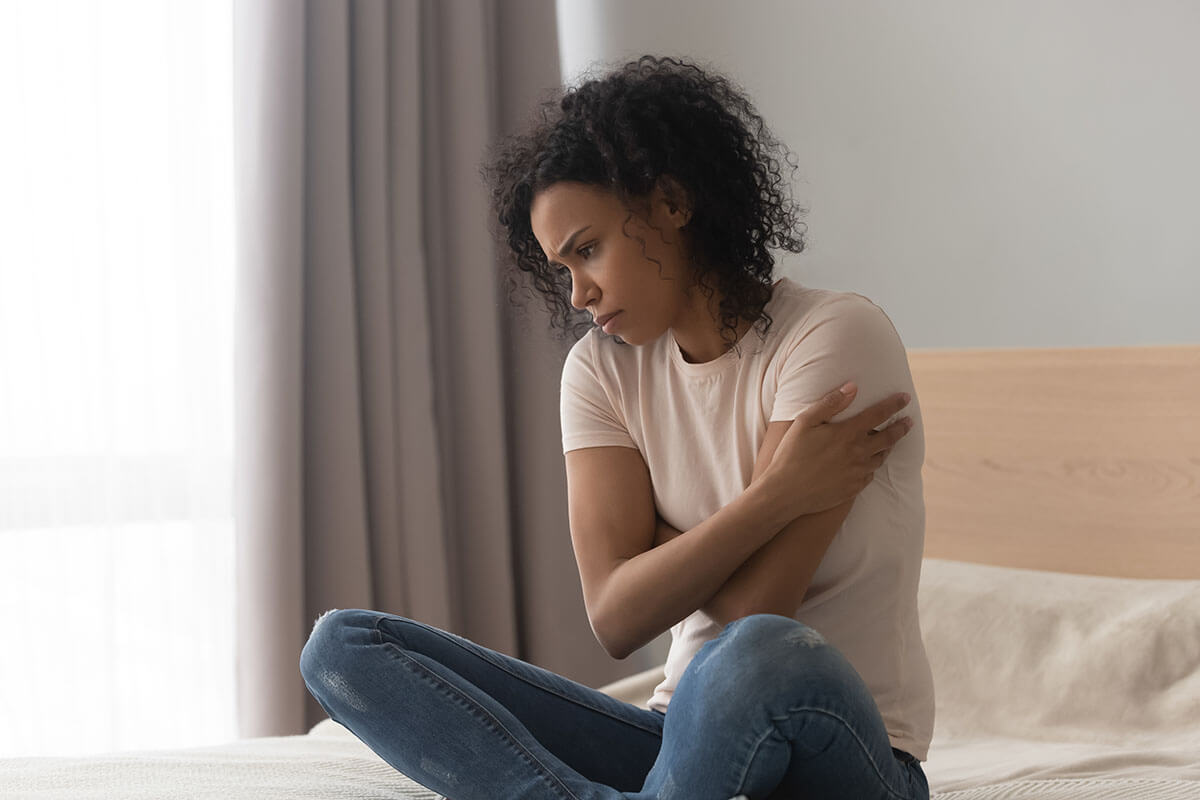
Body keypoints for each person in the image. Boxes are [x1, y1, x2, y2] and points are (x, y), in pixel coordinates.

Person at [300, 54, 933, 800]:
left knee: (760, 653)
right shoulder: (600, 373)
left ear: (671, 203)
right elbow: (615, 615)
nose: (579, 294)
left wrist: (656, 557)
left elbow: (751, 611)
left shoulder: (832, 337)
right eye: (562, 268)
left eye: (588, 249)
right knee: (342, 645)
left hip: (843, 751)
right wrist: (776, 496)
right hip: (678, 742)